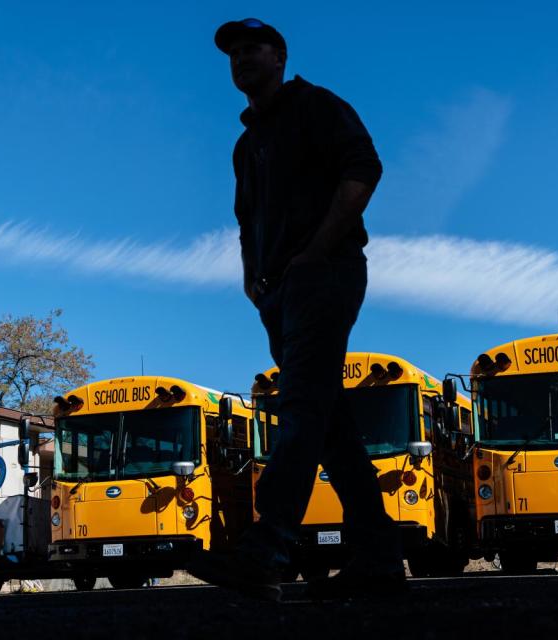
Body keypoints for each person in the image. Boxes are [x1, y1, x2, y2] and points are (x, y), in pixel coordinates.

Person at [187, 18, 404, 601]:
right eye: (232, 53)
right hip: (279, 291)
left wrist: (315, 252)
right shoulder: (245, 144)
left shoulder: (317, 106)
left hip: (325, 274)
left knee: (301, 404)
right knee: (329, 424)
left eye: (252, 48)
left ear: (280, 57)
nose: (240, 59)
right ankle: (379, 556)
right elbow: (244, 220)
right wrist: (251, 280)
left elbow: (364, 169)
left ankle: (268, 545)